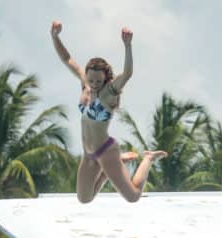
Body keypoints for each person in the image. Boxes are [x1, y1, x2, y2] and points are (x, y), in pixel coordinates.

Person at [50, 21, 166, 203]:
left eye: (98, 81)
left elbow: (127, 74)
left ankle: (148, 158)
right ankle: (105, 174)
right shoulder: (86, 84)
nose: (94, 84)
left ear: (105, 79)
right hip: (88, 152)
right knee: (84, 199)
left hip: (105, 151)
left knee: (133, 196)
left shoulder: (108, 93)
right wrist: (55, 37)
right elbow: (67, 59)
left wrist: (128, 46)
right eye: (91, 80)